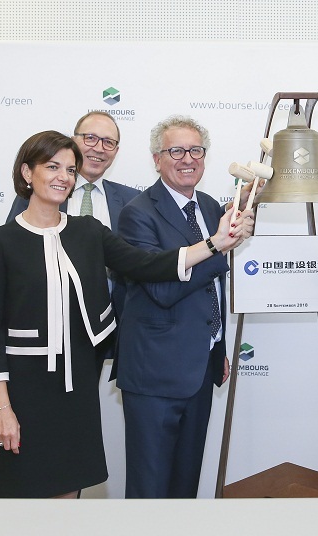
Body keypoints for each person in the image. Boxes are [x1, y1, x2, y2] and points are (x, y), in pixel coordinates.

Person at [0, 131, 253, 498]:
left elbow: (149, 265)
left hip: (76, 386)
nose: (63, 177)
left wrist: (215, 244)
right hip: (24, 390)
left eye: (70, 170)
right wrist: (1, 407)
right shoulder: (1, 241)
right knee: (18, 498)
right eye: (52, 167)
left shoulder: (88, 231)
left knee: (68, 490)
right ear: (28, 173)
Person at [116, 115, 240, 498]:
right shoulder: (138, 213)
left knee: (186, 490)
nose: (188, 159)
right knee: (150, 491)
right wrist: (219, 249)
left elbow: (211, 292)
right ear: (157, 159)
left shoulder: (209, 206)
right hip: (155, 375)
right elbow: (162, 290)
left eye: (196, 150)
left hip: (200, 368)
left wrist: (216, 346)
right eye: (176, 151)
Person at [6, 111, 140, 320]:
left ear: (116, 151)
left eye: (108, 142)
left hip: (114, 322)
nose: (99, 148)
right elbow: (13, 257)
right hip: (47, 317)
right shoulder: (39, 193)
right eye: (90, 138)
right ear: (73, 141)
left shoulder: (132, 200)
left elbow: (141, 262)